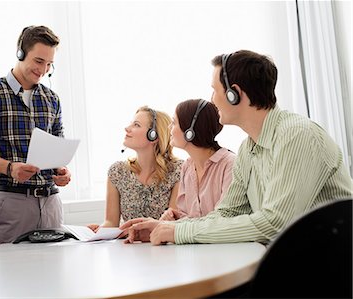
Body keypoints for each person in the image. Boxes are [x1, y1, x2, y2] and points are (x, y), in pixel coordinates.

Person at [121, 50, 353, 245]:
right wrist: (166, 227)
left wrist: (178, 232)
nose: (212, 100)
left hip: (333, 267)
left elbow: (275, 224)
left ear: (234, 94)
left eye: (215, 90)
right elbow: (227, 213)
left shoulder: (297, 136)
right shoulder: (247, 150)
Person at [0, 26, 71, 243]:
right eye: (39, 61)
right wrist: (9, 168)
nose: (43, 70)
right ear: (20, 53)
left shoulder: (52, 99)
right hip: (11, 203)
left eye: (49, 64)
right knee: (10, 274)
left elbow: (57, 146)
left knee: (55, 275)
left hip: (51, 203)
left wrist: (62, 171)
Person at [88, 106, 183, 232]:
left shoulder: (178, 171)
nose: (127, 128)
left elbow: (171, 223)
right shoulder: (117, 172)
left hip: (163, 246)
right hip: (128, 247)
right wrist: (98, 230)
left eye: (136, 125)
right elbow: (111, 222)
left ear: (153, 135)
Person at [159, 99, 236, 221]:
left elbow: (223, 219)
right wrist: (174, 218)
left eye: (174, 123)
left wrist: (179, 225)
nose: (169, 128)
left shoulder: (229, 164)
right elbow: (188, 216)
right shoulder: (187, 167)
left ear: (190, 131)